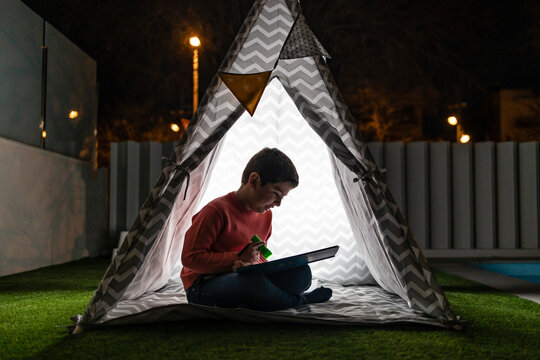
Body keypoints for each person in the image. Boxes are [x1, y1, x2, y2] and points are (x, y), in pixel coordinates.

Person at [180, 147, 332, 311]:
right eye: (276, 194)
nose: (278, 204)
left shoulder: (266, 216)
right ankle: (299, 301)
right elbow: (190, 259)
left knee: (302, 273)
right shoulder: (216, 211)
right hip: (203, 285)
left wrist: (259, 264)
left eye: (282, 198)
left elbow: (263, 254)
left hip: (244, 277)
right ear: (254, 181)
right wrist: (237, 259)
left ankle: (263, 298)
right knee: (252, 283)